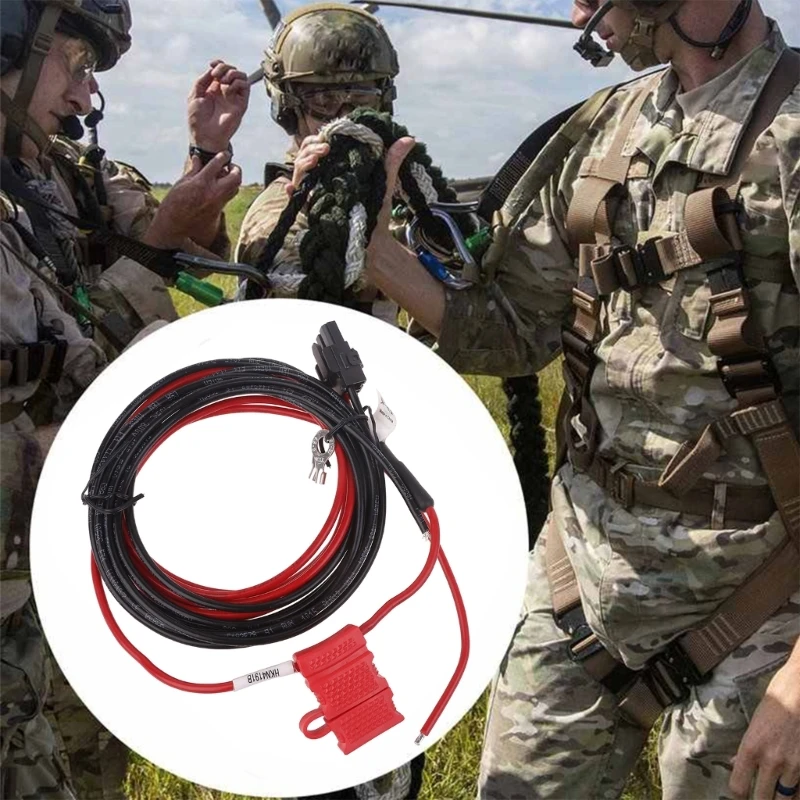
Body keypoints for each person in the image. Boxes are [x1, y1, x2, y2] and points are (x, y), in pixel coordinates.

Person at [290, 0, 800, 797]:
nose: (577, 14)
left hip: (765, 601)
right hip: (581, 582)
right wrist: (379, 251)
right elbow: (514, 332)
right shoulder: (601, 130)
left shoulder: (791, 134)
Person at [0, 2, 249, 797]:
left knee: (89, 759)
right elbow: (68, 373)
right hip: (18, 568)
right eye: (74, 64)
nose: (85, 96)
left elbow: (189, 244)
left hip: (66, 553)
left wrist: (203, 157)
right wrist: (157, 245)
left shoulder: (61, 177)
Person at [235, 1, 400, 324]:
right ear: (289, 106)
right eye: (324, 100)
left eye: (362, 98)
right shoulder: (274, 215)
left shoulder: (399, 188)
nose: (345, 116)